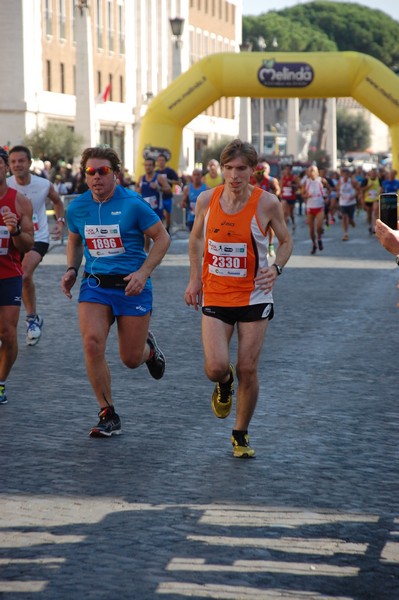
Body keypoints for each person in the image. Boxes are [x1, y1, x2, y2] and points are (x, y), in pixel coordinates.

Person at [184, 139, 293, 458]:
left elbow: (286, 242)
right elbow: (195, 240)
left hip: (255, 296)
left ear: (253, 170)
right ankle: (224, 383)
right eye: (228, 168)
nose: (233, 175)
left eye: (241, 168)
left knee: (248, 367)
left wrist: (276, 268)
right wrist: (194, 279)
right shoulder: (206, 199)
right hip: (216, 293)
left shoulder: (267, 203)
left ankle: (240, 434)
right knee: (216, 367)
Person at [60, 146, 170, 438]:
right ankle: (108, 412)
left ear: (115, 174)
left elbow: (162, 238)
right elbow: (74, 240)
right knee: (92, 344)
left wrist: (144, 272)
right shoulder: (78, 207)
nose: (96, 177)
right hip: (95, 285)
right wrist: (72, 269)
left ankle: (148, 351)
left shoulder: (133, 203)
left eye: (103, 171)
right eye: (90, 172)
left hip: (132, 286)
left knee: (130, 359)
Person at [8, 145, 65, 346]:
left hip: (38, 237)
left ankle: (31, 319)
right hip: (10, 239)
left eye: (21, 161)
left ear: (30, 163)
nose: (17, 165)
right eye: (13, 161)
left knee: (24, 275)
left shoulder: (43, 184)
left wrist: (60, 222)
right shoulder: (5, 184)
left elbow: (58, 202)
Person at [0, 147, 34, 404]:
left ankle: (0, 384)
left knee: (8, 334)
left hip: (8, 274)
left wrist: (13, 231)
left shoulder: (20, 201)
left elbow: (27, 245)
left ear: (5, 168)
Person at [250, 161, 281, 257]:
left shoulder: (270, 180)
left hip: (267, 207)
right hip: (255, 207)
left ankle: (270, 246)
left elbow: (277, 190)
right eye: (257, 173)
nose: (259, 175)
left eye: (261, 172)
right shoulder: (251, 180)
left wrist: (272, 198)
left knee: (270, 227)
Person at [301, 164, 330, 255]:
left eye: (314, 171)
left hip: (320, 206)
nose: (312, 172)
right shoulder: (306, 182)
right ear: (309, 173)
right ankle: (314, 244)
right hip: (310, 207)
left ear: (317, 172)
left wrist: (327, 198)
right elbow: (302, 194)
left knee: (319, 226)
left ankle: (319, 239)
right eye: (310, 171)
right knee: (311, 230)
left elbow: (329, 189)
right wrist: (306, 196)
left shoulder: (322, 180)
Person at [155, 153, 179, 235]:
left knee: (168, 215)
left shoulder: (170, 171)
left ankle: (167, 230)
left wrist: (169, 181)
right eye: (159, 160)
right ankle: (160, 232)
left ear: (165, 162)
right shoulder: (155, 172)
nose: (161, 162)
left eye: (162, 160)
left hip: (168, 197)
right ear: (157, 162)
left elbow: (179, 182)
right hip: (158, 198)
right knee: (159, 216)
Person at [336, 168, 358, 241]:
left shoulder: (352, 181)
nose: (345, 176)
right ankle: (345, 234)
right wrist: (338, 194)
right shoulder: (340, 182)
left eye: (346, 175)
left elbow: (358, 190)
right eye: (343, 175)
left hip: (351, 203)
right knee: (344, 217)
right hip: (343, 203)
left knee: (350, 219)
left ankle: (352, 221)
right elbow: (337, 190)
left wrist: (354, 196)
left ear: (348, 175)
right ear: (341, 175)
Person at [279, 164, 299, 231]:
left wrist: (292, 185)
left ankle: (293, 223)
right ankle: (284, 228)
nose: (287, 171)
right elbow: (280, 188)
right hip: (284, 198)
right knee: (285, 213)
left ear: (291, 170)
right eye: (286, 169)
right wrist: (280, 194)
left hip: (292, 198)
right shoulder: (282, 178)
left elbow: (298, 187)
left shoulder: (294, 178)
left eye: (288, 169)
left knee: (291, 214)